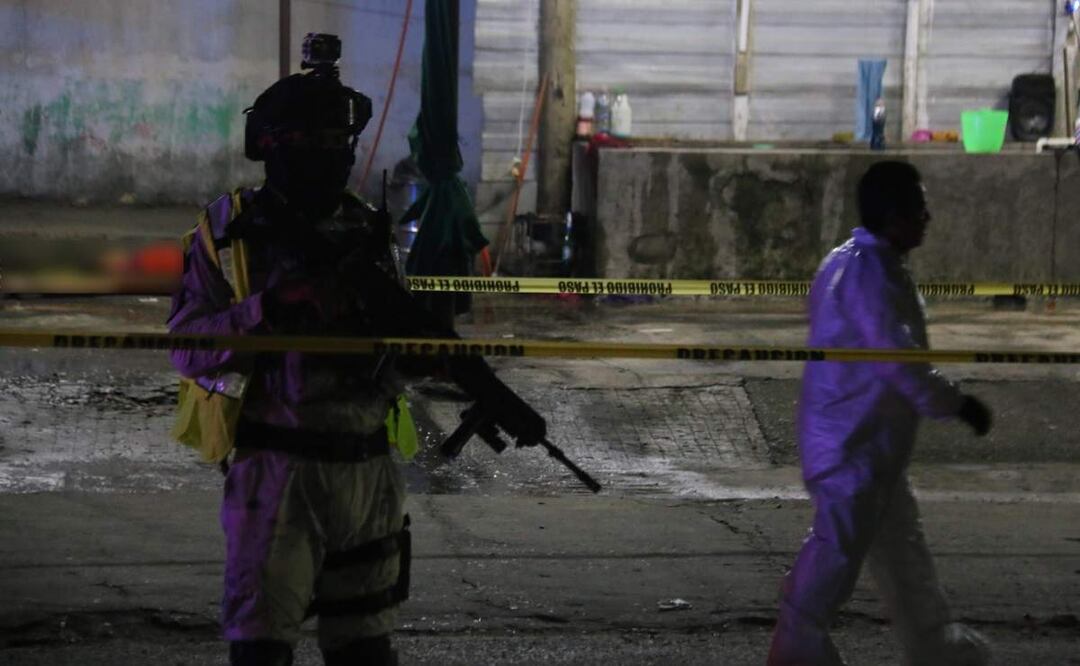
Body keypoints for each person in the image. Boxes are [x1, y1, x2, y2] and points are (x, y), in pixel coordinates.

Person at [167, 35, 410, 666]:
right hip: (276, 474)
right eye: (305, 141)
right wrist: (271, 308)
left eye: (336, 142)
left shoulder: (367, 229)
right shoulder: (228, 231)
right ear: (269, 145)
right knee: (261, 648)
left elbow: (405, 341)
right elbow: (189, 349)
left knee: (364, 645)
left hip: (367, 470)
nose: (324, 155)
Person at [767, 161, 994, 666]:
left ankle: (935, 646)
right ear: (894, 215)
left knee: (902, 553)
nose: (927, 216)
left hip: (867, 444)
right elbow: (901, 363)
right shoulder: (870, 274)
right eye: (919, 206)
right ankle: (796, 646)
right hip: (853, 447)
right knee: (837, 553)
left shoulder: (857, 263)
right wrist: (959, 404)